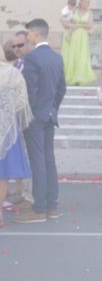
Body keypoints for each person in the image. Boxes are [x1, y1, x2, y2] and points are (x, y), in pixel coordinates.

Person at [14, 18, 66, 224]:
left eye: (28, 35)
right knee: (48, 160)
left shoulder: (32, 58)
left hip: (35, 116)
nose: (27, 38)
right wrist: (52, 108)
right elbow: (62, 88)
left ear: (35, 34)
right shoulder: (57, 58)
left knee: (38, 161)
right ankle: (51, 205)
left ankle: (39, 208)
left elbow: (29, 90)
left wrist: (33, 112)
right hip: (49, 114)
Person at [0, 50, 33, 228]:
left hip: (6, 127)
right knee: (2, 176)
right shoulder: (12, 73)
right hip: (7, 128)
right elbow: (22, 100)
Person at [60, 0, 96, 86]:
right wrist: (69, 25)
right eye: (85, 1)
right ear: (81, 2)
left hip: (82, 36)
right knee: (72, 55)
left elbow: (90, 25)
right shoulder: (74, 10)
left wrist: (79, 26)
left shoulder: (90, 13)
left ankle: (80, 77)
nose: (87, 3)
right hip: (73, 35)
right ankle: (71, 76)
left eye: (88, 2)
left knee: (82, 55)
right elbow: (65, 18)